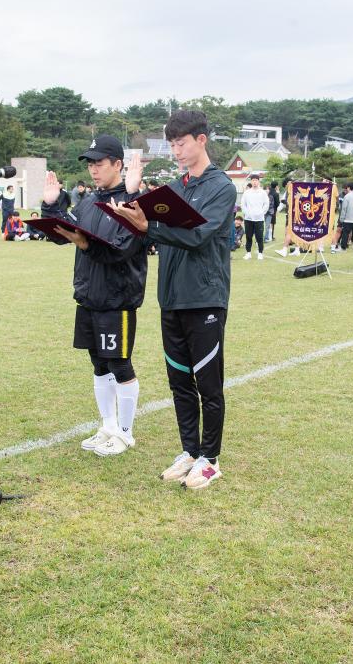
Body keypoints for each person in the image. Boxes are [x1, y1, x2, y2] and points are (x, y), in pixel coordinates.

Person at [112, 110, 235, 490]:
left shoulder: (222, 187)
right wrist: (131, 210)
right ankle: (189, 451)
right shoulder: (176, 189)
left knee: (208, 384)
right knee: (179, 383)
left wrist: (152, 226)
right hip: (172, 299)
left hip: (205, 299)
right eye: (172, 144)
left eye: (181, 143)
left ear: (201, 140)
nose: (176, 150)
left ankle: (210, 459)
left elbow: (198, 236)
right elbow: (152, 238)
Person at [42, 135, 147, 457]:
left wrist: (86, 244)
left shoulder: (130, 204)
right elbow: (65, 234)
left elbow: (122, 250)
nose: (93, 170)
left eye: (99, 163)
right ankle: (108, 426)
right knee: (98, 364)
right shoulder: (88, 201)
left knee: (119, 364)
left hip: (118, 300)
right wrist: (51, 206)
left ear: (118, 164)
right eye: (90, 164)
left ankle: (126, 433)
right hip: (88, 296)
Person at [240, 174, 269, 260]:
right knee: (248, 236)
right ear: (251, 181)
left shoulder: (263, 192)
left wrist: (261, 213)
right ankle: (248, 253)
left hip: (259, 219)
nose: (254, 182)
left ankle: (260, 253)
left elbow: (266, 204)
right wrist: (246, 213)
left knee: (259, 237)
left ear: (258, 181)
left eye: (256, 180)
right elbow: (243, 204)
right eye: (253, 180)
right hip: (248, 218)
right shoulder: (247, 192)